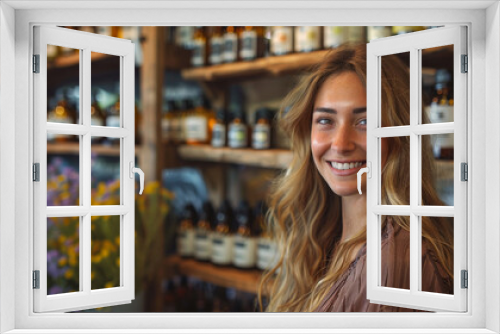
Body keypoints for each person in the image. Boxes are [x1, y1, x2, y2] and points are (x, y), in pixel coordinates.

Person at [258, 44, 454, 312]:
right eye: (326, 120)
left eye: (364, 122)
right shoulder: (325, 234)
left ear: (402, 134)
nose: (340, 144)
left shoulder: (396, 265)